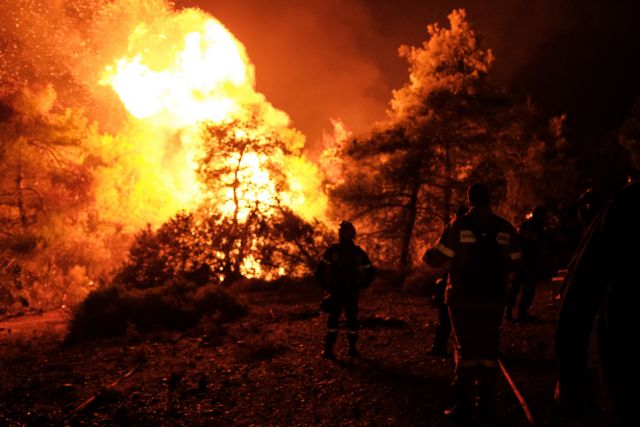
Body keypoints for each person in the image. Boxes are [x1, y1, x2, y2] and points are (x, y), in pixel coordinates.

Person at [423, 183, 521, 421]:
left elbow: (437, 258)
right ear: (489, 201)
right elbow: (518, 261)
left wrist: (427, 254)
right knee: (488, 350)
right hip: (494, 301)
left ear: (469, 201)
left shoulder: (458, 226)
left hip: (463, 301)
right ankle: (486, 404)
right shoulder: (505, 228)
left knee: (465, 351)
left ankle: (464, 404)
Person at [554, 177, 640, 425]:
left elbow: (581, 289)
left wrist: (570, 373)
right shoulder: (620, 209)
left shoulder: (625, 208)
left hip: (627, 346)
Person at [315, 221, 375, 359]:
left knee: (333, 320)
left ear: (339, 234)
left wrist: (326, 286)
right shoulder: (358, 252)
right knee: (352, 319)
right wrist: (363, 285)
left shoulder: (333, 251)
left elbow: (319, 271)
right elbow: (371, 271)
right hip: (352, 291)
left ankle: (329, 350)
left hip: (336, 291)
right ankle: (352, 349)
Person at [429, 205, 468, 357]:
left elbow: (435, 256)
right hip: (476, 281)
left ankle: (440, 348)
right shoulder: (488, 228)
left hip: (455, 280)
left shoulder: (454, 229)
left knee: (446, 317)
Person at [506, 206, 548, 322]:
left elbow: (516, 240)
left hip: (520, 261)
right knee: (528, 289)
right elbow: (543, 245)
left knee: (515, 287)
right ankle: (522, 314)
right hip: (531, 262)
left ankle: (508, 312)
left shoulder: (524, 225)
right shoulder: (540, 230)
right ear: (541, 216)